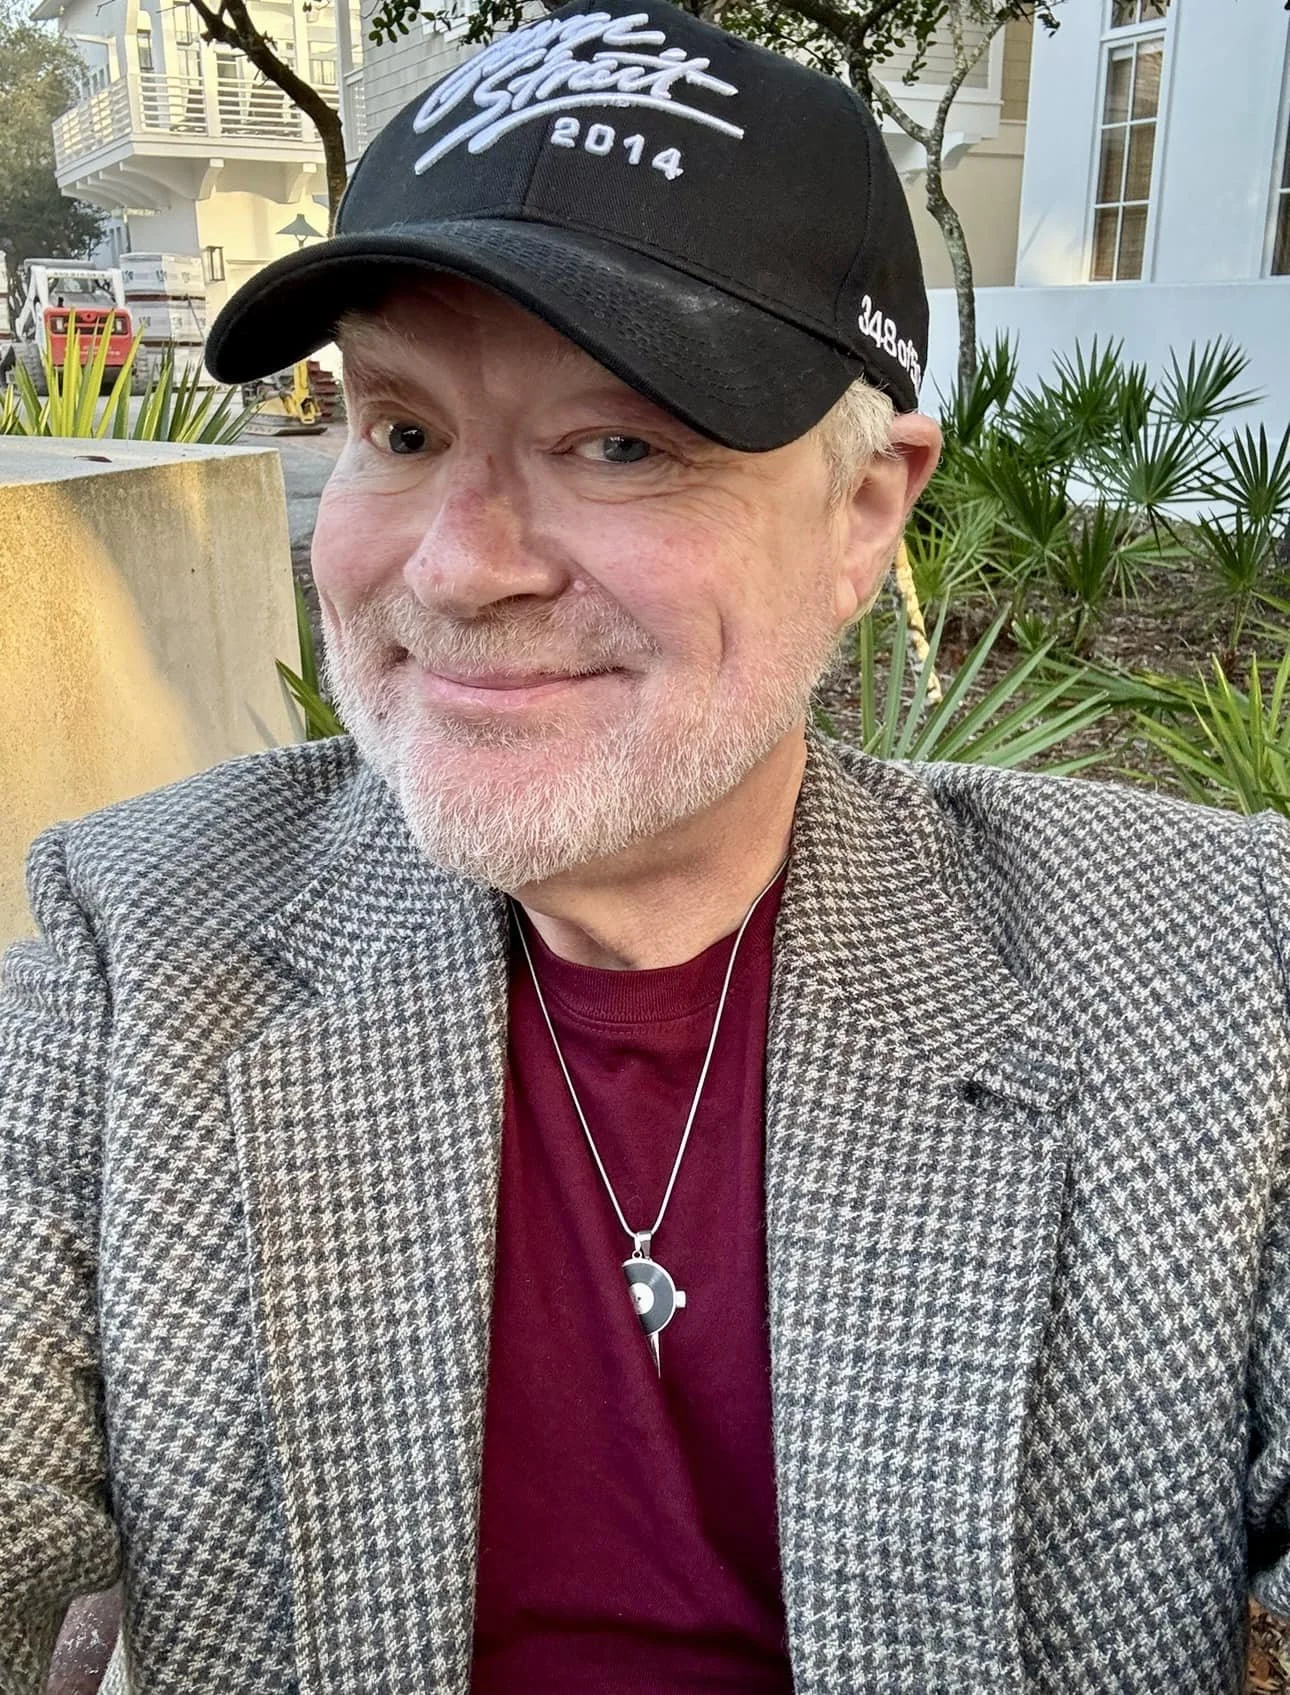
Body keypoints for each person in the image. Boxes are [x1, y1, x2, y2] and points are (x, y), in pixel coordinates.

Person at [3, 1, 1290, 1690]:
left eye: (619, 443)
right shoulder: (143, 945)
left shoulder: (1205, 965)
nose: (459, 568)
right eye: (398, 429)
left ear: (864, 511)